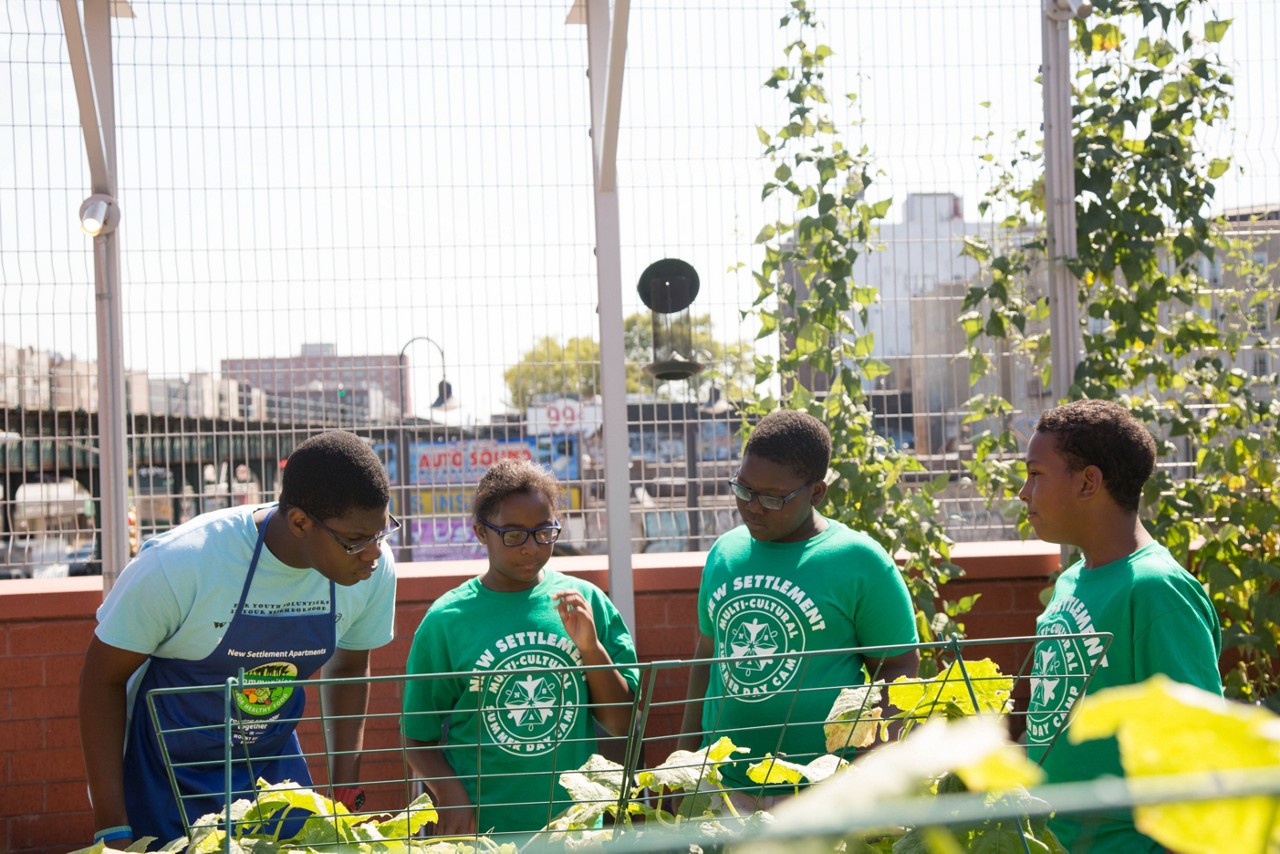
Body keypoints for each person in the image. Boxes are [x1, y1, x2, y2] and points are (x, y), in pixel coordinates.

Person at [78, 431, 398, 849]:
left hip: (271, 772)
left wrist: (343, 790)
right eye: (357, 540)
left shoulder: (368, 570)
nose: (373, 552)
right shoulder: (182, 564)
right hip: (164, 777)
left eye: (382, 532)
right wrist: (112, 825)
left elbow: (351, 667)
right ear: (301, 522)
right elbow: (100, 680)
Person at [678, 409, 920, 809]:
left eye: (773, 498)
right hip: (721, 788)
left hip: (823, 791)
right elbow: (706, 658)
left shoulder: (858, 561)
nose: (753, 507)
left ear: (817, 493)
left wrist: (867, 772)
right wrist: (682, 765)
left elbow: (897, 668)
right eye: (743, 489)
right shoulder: (725, 553)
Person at [1020, 399, 1222, 853]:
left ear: (1088, 482)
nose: (1023, 492)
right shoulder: (1071, 580)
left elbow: (1199, 750)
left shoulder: (1155, 590)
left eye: (1035, 474)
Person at [401, 458, 639, 839]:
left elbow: (622, 723)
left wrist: (591, 648)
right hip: (483, 832)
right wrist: (450, 795)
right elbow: (417, 737)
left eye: (544, 532)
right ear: (481, 532)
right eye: (513, 535)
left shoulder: (586, 602)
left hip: (574, 832)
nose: (531, 548)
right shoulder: (448, 619)